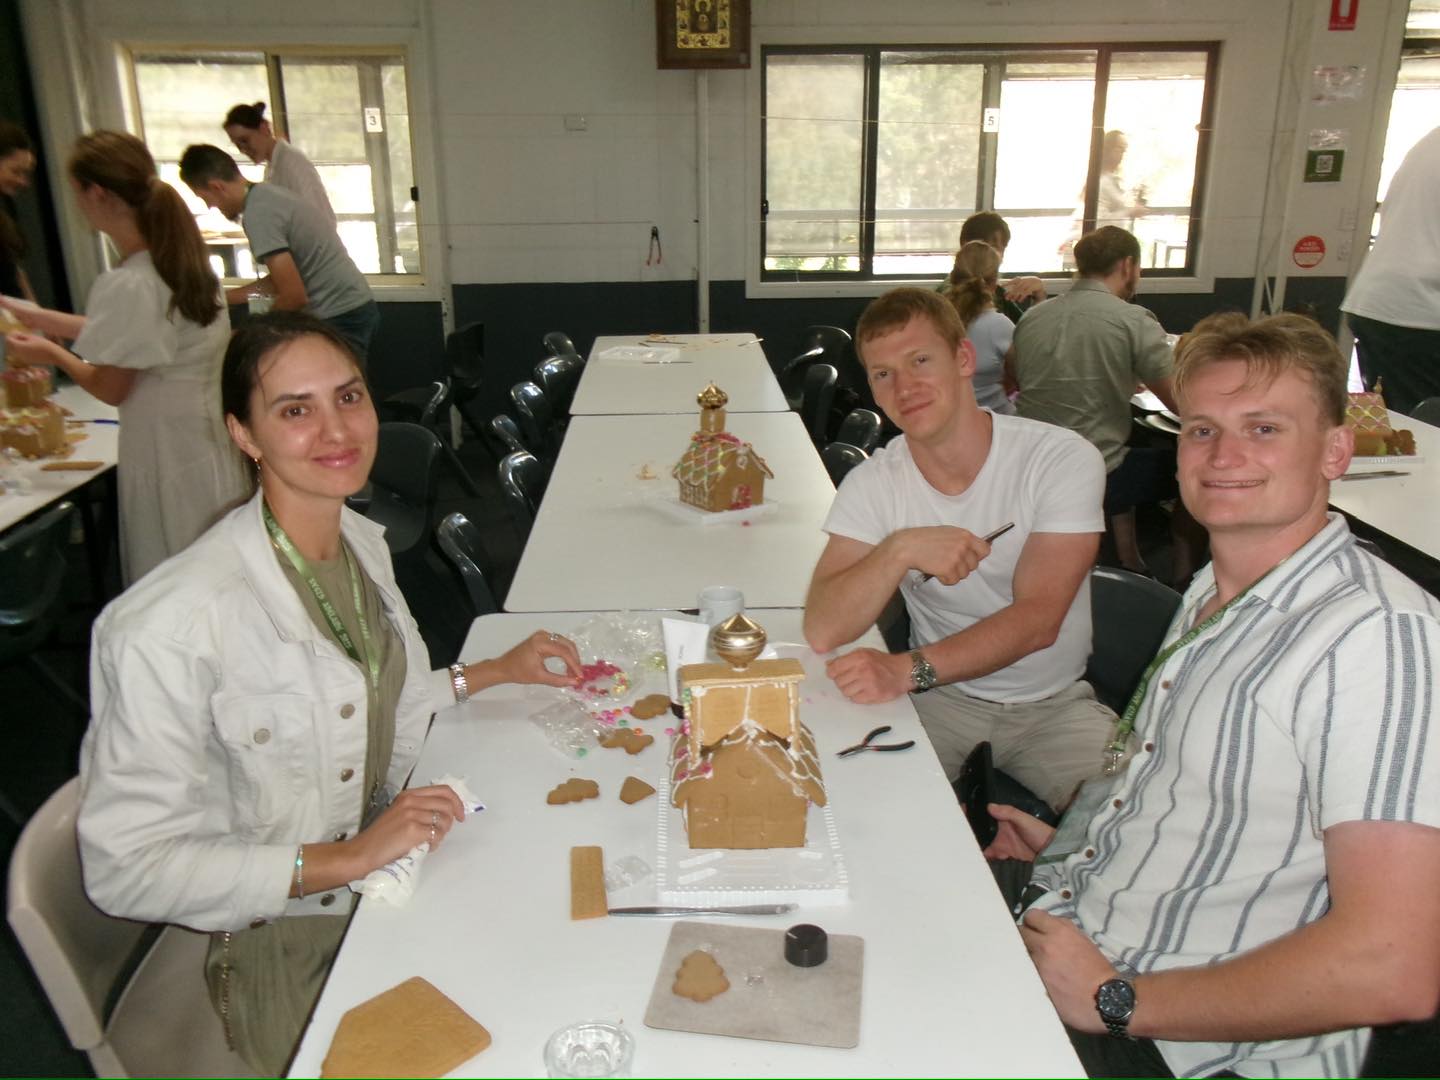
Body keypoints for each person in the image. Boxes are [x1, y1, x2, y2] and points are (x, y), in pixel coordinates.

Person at [77, 312, 586, 1076]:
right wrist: (349, 857)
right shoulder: (169, 627)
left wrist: (491, 671)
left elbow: (377, 701)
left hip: (380, 883)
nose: (336, 429)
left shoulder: (357, 546)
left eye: (348, 397)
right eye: (295, 410)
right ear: (244, 434)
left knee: (562, 933)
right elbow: (126, 868)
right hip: (286, 941)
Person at [986, 312, 1440, 1078]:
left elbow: (1392, 966)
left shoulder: (1376, 637)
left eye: (1264, 429)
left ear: (1335, 450)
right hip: (1082, 920)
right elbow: (1204, 789)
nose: (1224, 456)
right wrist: (1080, 846)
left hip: (1170, 1034)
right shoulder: (1213, 591)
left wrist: (1117, 1001)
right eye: (1202, 430)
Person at [803, 287, 1111, 810]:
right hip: (940, 701)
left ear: (964, 359)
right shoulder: (875, 483)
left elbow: (1038, 620)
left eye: (920, 360)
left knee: (1131, 823)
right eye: (883, 373)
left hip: (1054, 707)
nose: (905, 386)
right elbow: (823, 628)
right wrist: (898, 549)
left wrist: (906, 670)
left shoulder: (1059, 459)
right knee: (853, 811)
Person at [1, 131, 248, 585]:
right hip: (203, 438)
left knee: (175, 574)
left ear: (97, 193)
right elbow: (141, 332)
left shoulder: (130, 281)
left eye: (76, 192)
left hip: (167, 449)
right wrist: (39, 317)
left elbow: (111, 387)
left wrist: (51, 351)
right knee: (211, 571)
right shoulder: (180, 264)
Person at [1012, 224, 1201, 583]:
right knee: (1193, 470)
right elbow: (1183, 404)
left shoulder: (1032, 318)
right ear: (1128, 265)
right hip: (1098, 472)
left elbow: (1020, 380)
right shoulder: (1133, 320)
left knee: (1118, 442)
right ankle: (1182, 581)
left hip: (1031, 464)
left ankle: (1130, 559)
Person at [177, 144, 379, 363]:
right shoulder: (267, 196)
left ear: (217, 187)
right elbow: (279, 282)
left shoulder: (258, 214)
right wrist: (221, 299)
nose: (209, 206)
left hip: (339, 314)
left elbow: (293, 295)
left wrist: (248, 336)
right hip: (352, 305)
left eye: (204, 198)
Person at [1341, 123, 1440, 416]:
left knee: (1400, 426)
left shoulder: (1431, 140)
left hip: (1383, 303)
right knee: (1421, 428)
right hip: (1420, 314)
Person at [222, 101, 336, 229]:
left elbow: (321, 218)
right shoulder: (271, 168)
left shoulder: (292, 162)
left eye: (245, 140)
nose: (243, 149)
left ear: (264, 128)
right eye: (237, 145)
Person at [943, 239, 1014, 414]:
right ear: (994, 283)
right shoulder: (1000, 325)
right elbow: (1019, 378)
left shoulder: (936, 320)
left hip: (947, 416)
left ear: (953, 276)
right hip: (996, 417)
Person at [950, 211, 1046, 322]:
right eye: (992, 247)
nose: (998, 256)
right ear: (966, 246)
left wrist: (1039, 295)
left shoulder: (998, 292)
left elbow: (1024, 327)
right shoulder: (948, 296)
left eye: (1001, 249)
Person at [0, 121, 37, 302]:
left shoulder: (5, 208)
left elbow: (15, 271)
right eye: (16, 172)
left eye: (25, 173)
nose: (23, 182)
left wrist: (35, 311)